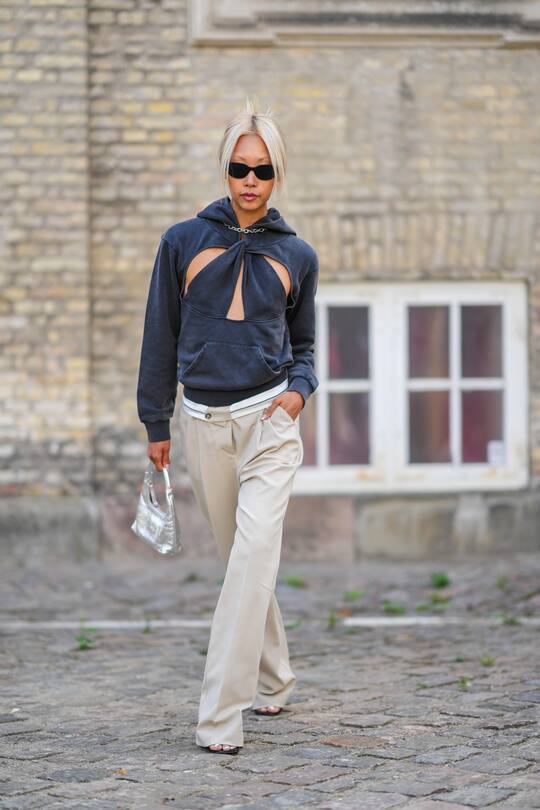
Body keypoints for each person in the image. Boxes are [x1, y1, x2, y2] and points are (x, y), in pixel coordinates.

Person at [136, 97, 319, 754]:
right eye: (240, 167)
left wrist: (298, 394)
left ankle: (219, 714)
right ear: (225, 168)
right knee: (240, 561)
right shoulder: (181, 241)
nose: (250, 180)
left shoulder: (297, 254)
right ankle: (276, 675)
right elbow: (159, 335)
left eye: (263, 170)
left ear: (277, 174)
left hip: (269, 424)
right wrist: (154, 421)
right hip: (203, 424)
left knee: (251, 556)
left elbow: (306, 344)